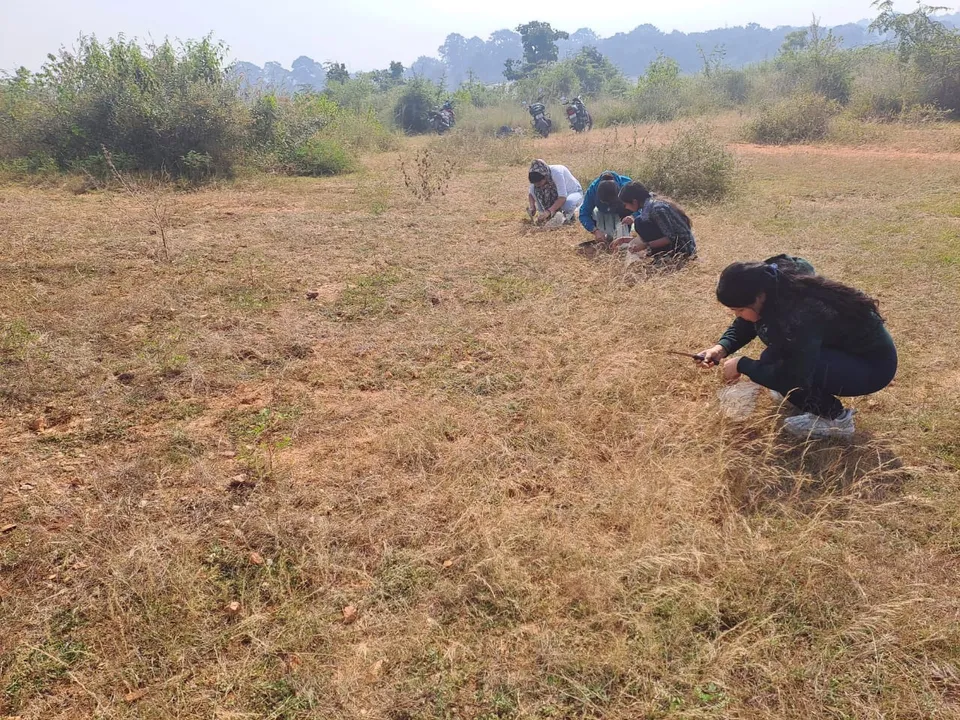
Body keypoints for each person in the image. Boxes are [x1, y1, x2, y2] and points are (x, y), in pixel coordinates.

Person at [697, 260, 898, 438]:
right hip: (843, 352)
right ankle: (807, 399)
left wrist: (743, 365)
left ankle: (836, 419)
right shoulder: (771, 281)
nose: (737, 315)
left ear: (759, 297)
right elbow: (748, 320)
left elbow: (792, 377)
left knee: (781, 369)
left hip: (872, 368)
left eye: (739, 310)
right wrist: (721, 348)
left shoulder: (800, 315)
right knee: (772, 359)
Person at [614, 181, 696, 260]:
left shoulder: (656, 210)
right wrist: (625, 240)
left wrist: (646, 246)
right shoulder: (652, 203)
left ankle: (665, 258)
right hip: (683, 245)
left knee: (639, 223)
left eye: (625, 204)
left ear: (634, 201)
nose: (625, 207)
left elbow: (671, 237)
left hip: (684, 250)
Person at [578, 171, 632, 246]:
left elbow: (640, 207)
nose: (609, 206)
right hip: (602, 214)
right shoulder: (593, 190)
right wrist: (595, 230)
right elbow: (584, 214)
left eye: (611, 202)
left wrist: (633, 217)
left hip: (622, 215)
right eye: (605, 203)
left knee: (622, 245)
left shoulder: (627, 187)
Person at [527, 159, 583, 228]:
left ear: (545, 177)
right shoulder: (536, 176)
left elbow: (562, 197)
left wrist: (548, 211)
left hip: (572, 193)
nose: (538, 186)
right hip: (558, 197)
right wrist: (532, 207)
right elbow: (531, 193)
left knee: (567, 205)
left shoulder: (557, 173)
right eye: (535, 184)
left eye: (539, 183)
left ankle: (571, 215)